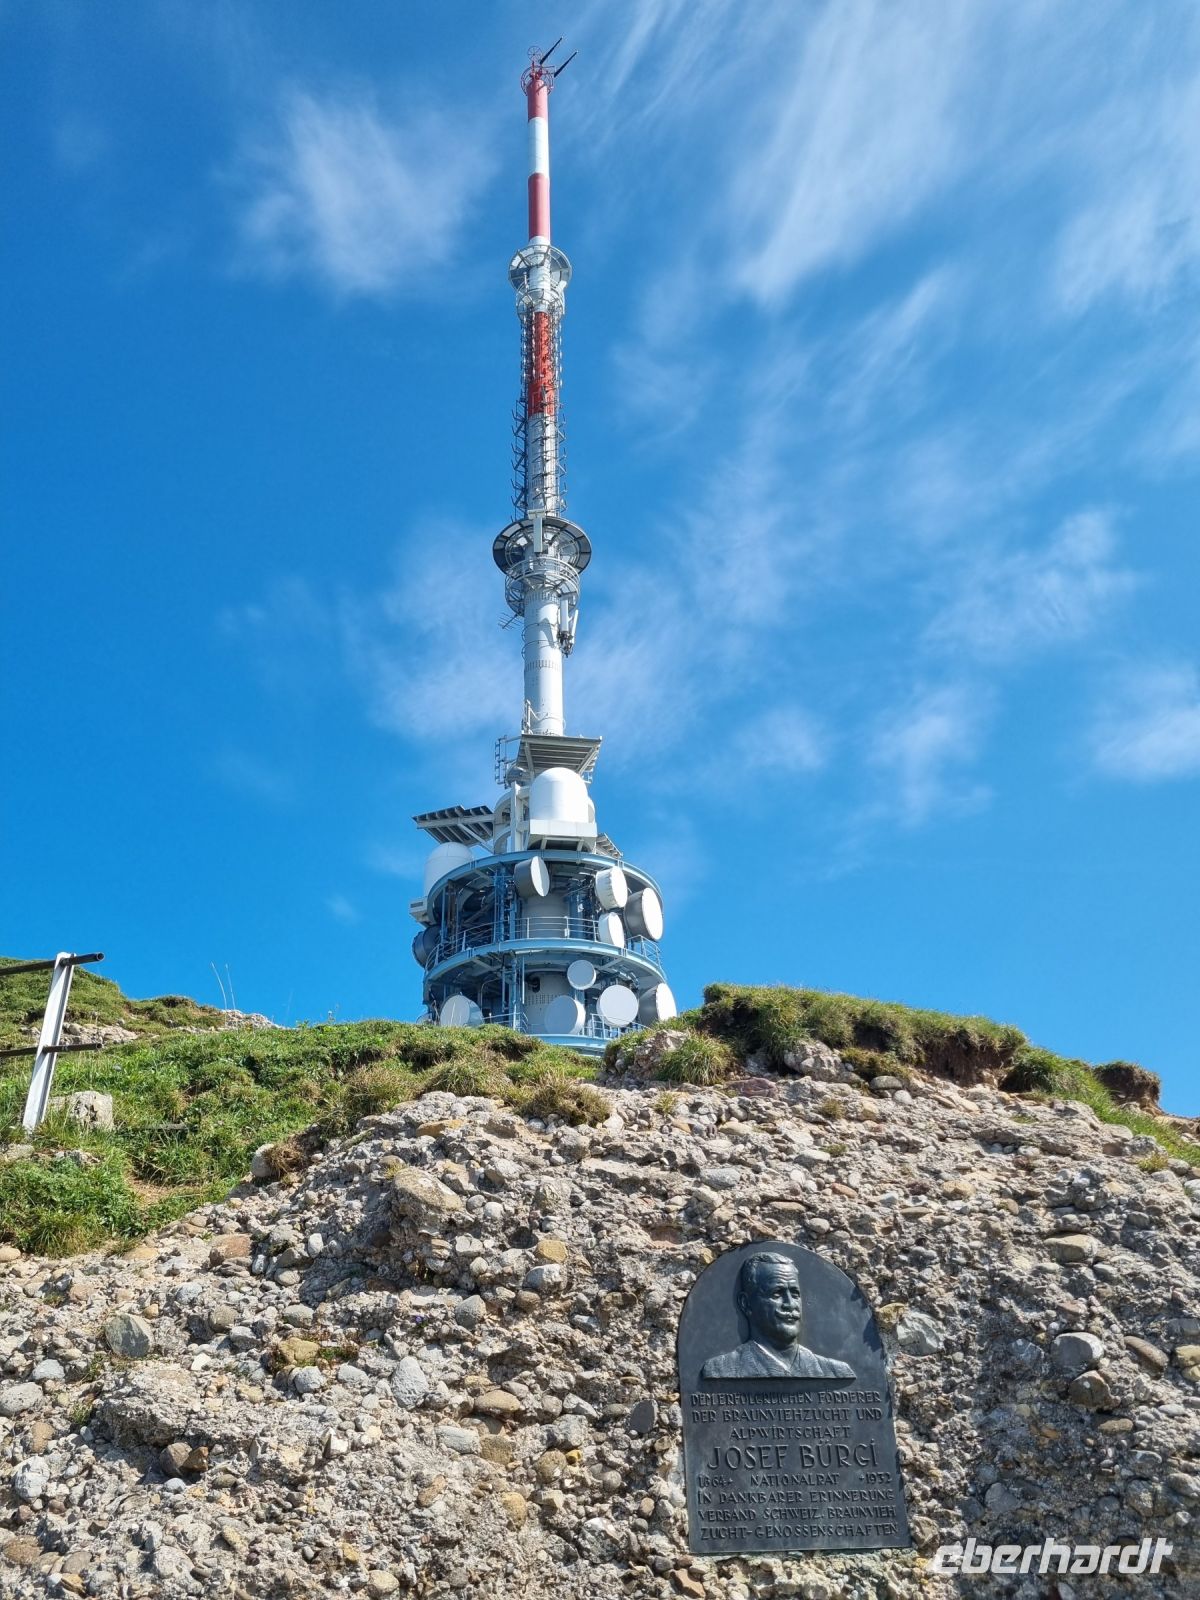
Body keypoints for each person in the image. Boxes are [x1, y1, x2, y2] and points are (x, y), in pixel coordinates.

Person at [700, 1252, 856, 1380]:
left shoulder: (837, 1373)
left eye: (795, 1294)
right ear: (746, 1304)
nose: (790, 1304)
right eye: (776, 1294)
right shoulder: (720, 1370)